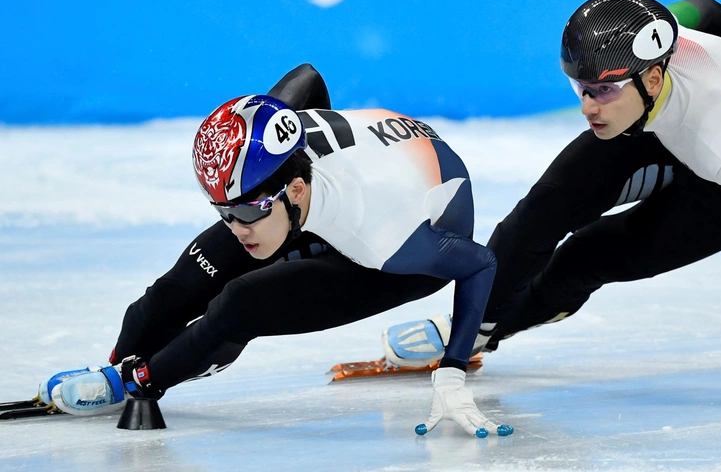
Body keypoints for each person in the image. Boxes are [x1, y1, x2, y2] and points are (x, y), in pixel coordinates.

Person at [383, 0, 721, 404]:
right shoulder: (662, 37)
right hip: (672, 119)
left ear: (650, 79)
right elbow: (706, 8)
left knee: (589, 256)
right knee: (546, 207)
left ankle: (498, 329)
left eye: (603, 91)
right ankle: (472, 327)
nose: (587, 107)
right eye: (580, 88)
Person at [39, 64, 513, 437]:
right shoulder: (275, 143)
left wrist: (452, 371)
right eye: (224, 211)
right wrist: (246, 211)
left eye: (247, 214)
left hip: (403, 252)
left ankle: (136, 380)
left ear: (297, 189)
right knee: (170, 293)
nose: (236, 226)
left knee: (240, 303)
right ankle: (117, 364)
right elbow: (307, 77)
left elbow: (479, 262)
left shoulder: (382, 237)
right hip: (323, 201)